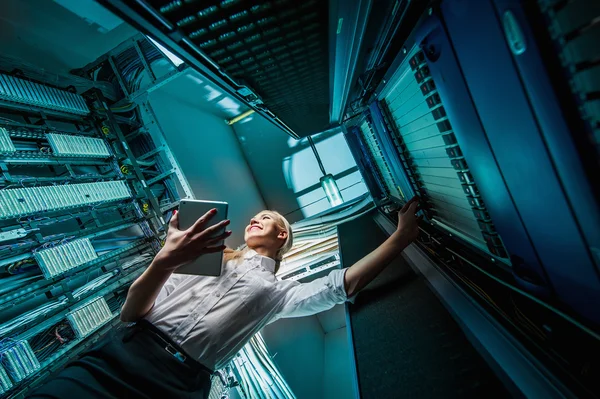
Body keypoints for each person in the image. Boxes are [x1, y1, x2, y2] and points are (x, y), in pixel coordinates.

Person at [29, 197, 421, 399]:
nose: (256, 219)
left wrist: (400, 238)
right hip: (120, 356)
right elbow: (132, 312)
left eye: (268, 219)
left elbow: (344, 285)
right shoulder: (203, 255)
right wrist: (165, 259)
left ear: (282, 236)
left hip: (177, 385)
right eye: (256, 216)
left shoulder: (279, 293)